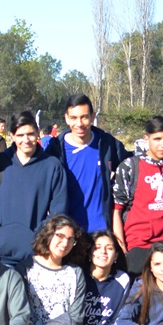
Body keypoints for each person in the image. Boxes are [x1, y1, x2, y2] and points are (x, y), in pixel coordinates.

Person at [0, 110, 67, 267]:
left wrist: (39, 238)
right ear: (12, 136)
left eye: (30, 134)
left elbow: (58, 211)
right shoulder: (0, 162)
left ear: (38, 133)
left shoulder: (52, 166)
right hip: (1, 255)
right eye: (20, 135)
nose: (26, 140)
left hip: (36, 256)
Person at [45, 94, 126, 234]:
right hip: (69, 233)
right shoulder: (55, 150)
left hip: (101, 233)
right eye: (74, 118)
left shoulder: (106, 144)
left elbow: (132, 163)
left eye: (84, 117)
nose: (79, 123)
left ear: (92, 117)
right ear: (66, 118)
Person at [111, 115, 163, 257]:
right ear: (146, 139)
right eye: (157, 139)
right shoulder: (130, 166)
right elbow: (117, 210)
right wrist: (121, 246)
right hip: (138, 245)